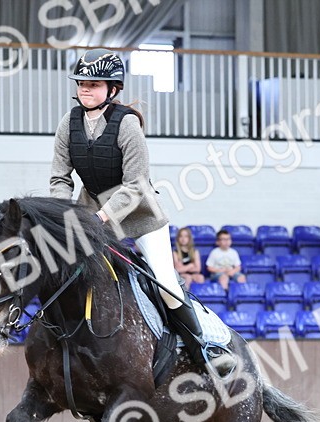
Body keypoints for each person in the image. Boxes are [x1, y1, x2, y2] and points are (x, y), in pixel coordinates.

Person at [49, 48, 232, 375]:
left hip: (138, 216)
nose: (85, 89)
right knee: (65, 272)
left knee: (165, 283)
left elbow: (136, 185)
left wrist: (99, 219)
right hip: (90, 214)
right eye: (81, 83)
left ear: (113, 89)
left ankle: (202, 349)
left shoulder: (127, 125)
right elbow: (60, 177)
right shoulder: (68, 122)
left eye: (94, 84)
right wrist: (64, 215)